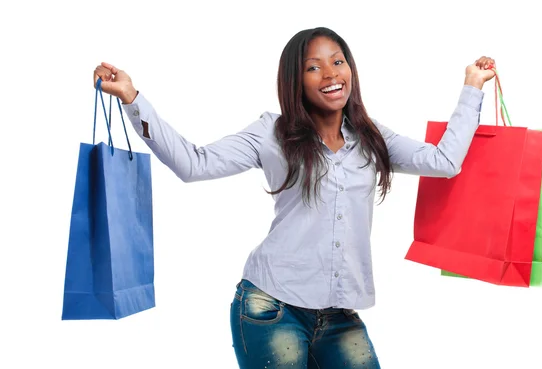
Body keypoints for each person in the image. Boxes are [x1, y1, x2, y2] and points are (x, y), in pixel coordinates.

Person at [93, 27, 495, 369]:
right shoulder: (272, 134)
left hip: (340, 316)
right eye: (313, 67)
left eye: (338, 62)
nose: (330, 74)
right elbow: (193, 164)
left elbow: (443, 161)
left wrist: (471, 88)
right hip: (270, 307)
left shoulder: (372, 138)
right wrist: (132, 99)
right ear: (295, 80)